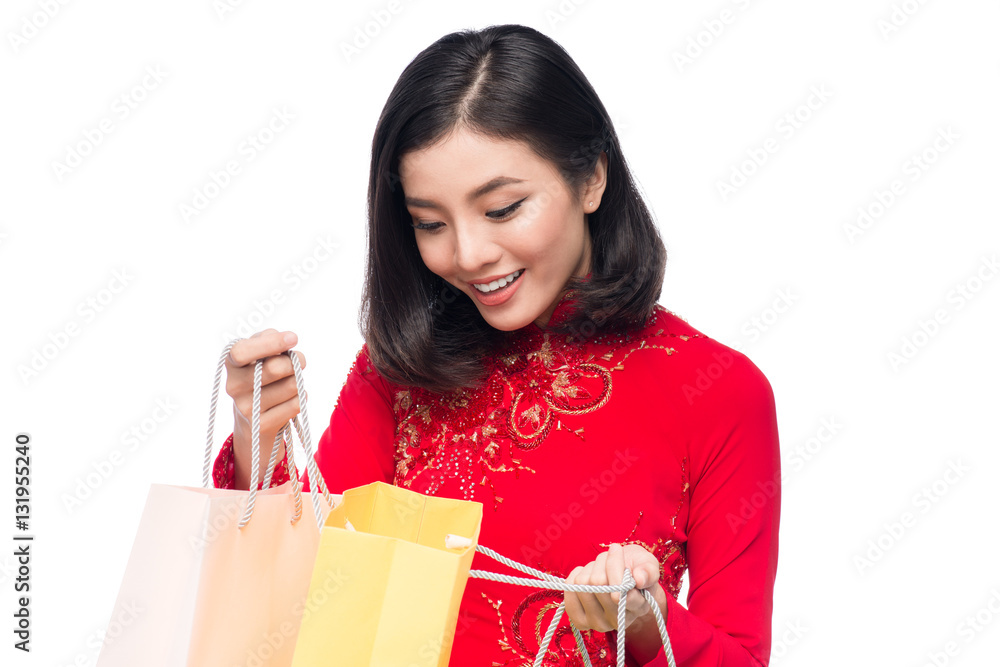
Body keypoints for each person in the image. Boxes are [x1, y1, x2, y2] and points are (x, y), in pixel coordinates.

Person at [212, 24, 780, 666]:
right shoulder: (400, 370)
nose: (469, 254)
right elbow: (295, 601)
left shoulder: (719, 392)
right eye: (430, 223)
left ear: (591, 178)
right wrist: (256, 442)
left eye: (503, 208)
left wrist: (647, 623)